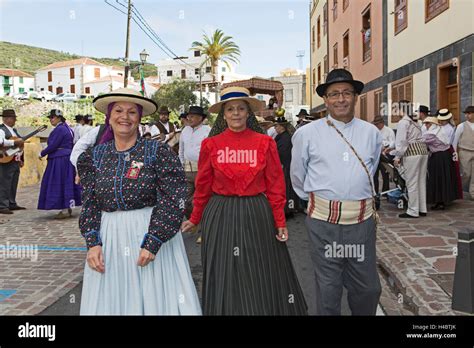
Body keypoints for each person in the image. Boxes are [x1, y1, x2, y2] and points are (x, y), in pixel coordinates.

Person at [181, 86, 307, 315]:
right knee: (225, 269)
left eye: (241, 108)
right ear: (224, 114)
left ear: (248, 113)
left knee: (258, 267)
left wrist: (280, 221)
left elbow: (276, 185)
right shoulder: (211, 145)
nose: (236, 113)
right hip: (220, 212)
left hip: (256, 211)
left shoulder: (264, 143)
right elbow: (203, 186)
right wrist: (195, 216)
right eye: (230, 109)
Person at [77, 88, 201, 315]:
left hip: (150, 233)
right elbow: (91, 202)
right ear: (109, 116)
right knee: (115, 300)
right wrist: (92, 242)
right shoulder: (94, 156)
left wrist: (153, 240)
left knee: (154, 297)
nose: (125, 117)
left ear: (140, 117)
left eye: (132, 112)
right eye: (119, 110)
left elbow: (174, 198)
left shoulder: (157, 152)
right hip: (110, 237)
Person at [291, 69, 382, 315]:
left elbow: (369, 171)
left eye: (346, 93)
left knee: (367, 288)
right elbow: (298, 176)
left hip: (362, 223)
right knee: (329, 288)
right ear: (326, 100)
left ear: (355, 97)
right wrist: (318, 202)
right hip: (323, 223)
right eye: (334, 94)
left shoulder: (371, 133)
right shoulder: (306, 134)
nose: (341, 99)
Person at [38, 109, 82, 218]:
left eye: (52, 117)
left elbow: (53, 145)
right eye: (50, 117)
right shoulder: (67, 128)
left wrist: (42, 153)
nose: (50, 119)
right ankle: (67, 207)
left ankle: (65, 209)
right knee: (66, 182)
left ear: (59, 118)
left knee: (60, 182)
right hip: (66, 158)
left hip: (60, 159)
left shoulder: (60, 129)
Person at [393, 100, 429, 218]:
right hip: (423, 151)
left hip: (412, 153)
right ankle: (422, 208)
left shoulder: (403, 122)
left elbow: (402, 142)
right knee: (421, 181)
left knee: (411, 182)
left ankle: (413, 211)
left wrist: (397, 156)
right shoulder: (415, 122)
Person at [178, 105, 211, 221]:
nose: (189, 118)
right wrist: (181, 166)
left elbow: (210, 153)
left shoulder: (207, 131)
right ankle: (192, 222)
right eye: (188, 116)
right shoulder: (185, 130)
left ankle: (202, 224)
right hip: (187, 170)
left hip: (201, 171)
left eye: (192, 116)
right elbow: (181, 150)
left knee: (201, 199)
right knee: (185, 199)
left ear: (200, 118)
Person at [422, 117, 458, 210]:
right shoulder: (439, 131)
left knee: (438, 178)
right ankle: (441, 200)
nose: (426, 126)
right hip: (443, 156)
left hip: (439, 157)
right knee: (441, 178)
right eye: (425, 124)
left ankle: (440, 201)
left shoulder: (432, 134)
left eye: (428, 124)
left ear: (433, 125)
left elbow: (421, 141)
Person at [0, 109, 26, 214]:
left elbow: (19, 146)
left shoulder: (14, 130)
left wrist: (21, 158)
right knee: (4, 183)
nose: (14, 120)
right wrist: (14, 142)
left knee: (13, 182)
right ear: (6, 119)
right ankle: (2, 205)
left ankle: (11, 203)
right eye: (12, 118)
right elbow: (1, 142)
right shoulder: (1, 130)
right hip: (5, 160)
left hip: (14, 159)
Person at [274, 115, 300, 217]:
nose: (275, 128)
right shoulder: (281, 137)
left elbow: (283, 153)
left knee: (287, 189)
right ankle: (288, 209)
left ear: (282, 127)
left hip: (286, 166)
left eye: (276, 126)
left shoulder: (285, 138)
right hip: (285, 165)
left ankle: (289, 210)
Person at [437, 108, 463, 200]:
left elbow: (448, 142)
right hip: (441, 151)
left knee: (445, 175)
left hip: (446, 151)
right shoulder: (440, 127)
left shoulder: (449, 128)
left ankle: (445, 196)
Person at [453, 106, 474, 199]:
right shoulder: (461, 126)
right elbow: (455, 140)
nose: (467, 115)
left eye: (469, 113)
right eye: (466, 113)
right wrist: (454, 153)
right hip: (464, 152)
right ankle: (457, 187)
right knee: (467, 173)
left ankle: (472, 193)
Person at [372, 115, 395, 197]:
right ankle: (375, 191)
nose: (377, 126)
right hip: (376, 153)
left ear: (382, 123)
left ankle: (385, 192)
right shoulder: (374, 131)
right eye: (375, 124)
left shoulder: (389, 130)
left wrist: (387, 147)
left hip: (385, 153)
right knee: (375, 174)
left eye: (378, 124)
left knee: (385, 173)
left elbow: (393, 142)